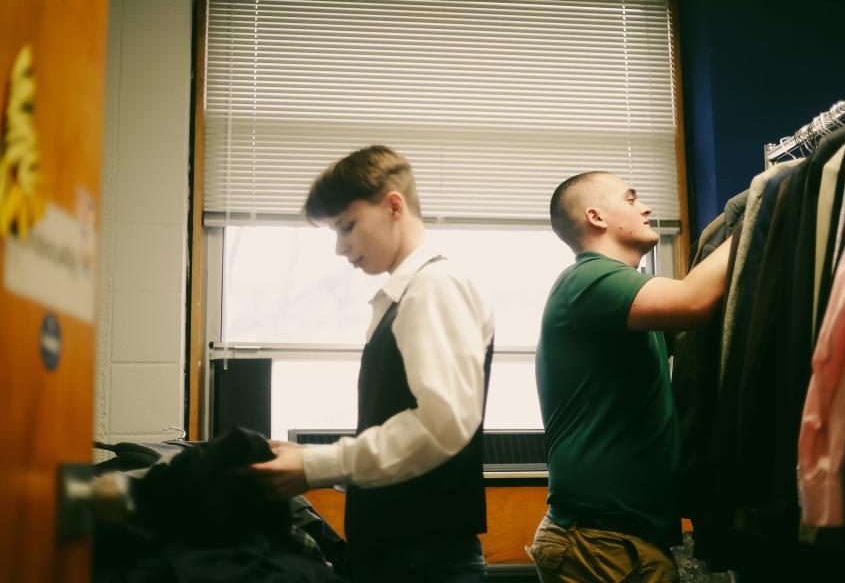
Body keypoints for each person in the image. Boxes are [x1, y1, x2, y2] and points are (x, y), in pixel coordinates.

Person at [245, 145, 495, 583]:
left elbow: (440, 425)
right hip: (404, 556)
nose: (341, 248)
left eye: (347, 226)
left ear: (393, 205)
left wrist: (316, 466)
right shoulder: (407, 294)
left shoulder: (434, 288)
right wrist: (310, 456)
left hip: (424, 562)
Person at [528, 171, 731, 583]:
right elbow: (695, 300)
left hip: (625, 541)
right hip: (599, 543)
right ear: (596, 216)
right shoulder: (586, 280)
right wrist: (763, 214)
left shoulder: (627, 302)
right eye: (631, 198)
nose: (646, 208)